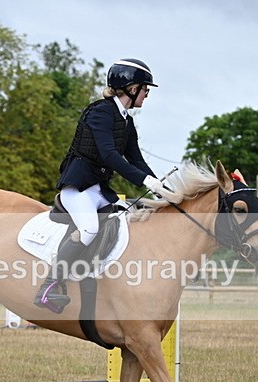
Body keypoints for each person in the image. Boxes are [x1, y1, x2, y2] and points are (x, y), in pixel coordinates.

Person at [34, 58, 165, 312]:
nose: (147, 94)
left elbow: (135, 158)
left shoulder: (126, 120)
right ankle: (50, 286)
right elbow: (110, 156)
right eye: (145, 89)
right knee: (89, 230)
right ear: (131, 87)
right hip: (78, 188)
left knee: (130, 219)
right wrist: (144, 180)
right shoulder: (100, 112)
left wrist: (158, 184)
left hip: (100, 191)